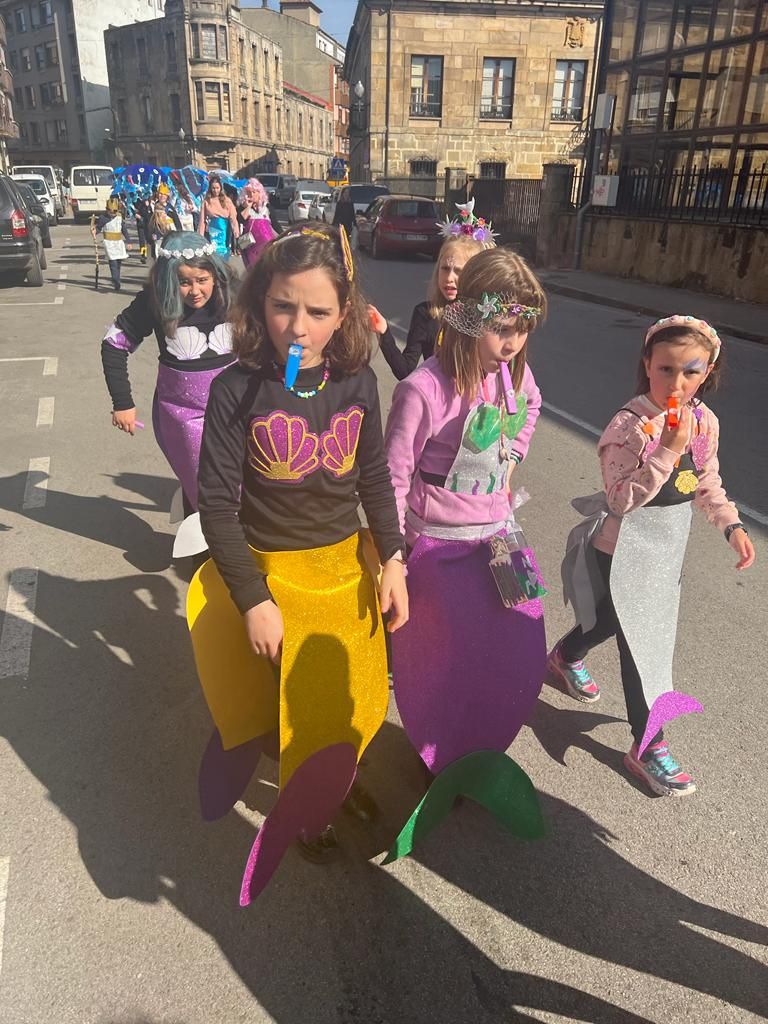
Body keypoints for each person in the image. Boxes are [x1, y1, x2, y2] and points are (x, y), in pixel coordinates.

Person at [189, 224, 408, 901]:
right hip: (276, 576)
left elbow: (373, 477)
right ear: (259, 304)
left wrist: (393, 557)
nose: (298, 326)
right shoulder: (236, 390)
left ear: (342, 314)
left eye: (317, 311)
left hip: (345, 571)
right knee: (295, 708)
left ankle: (340, 785)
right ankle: (304, 808)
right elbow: (217, 507)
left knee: (352, 698)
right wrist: (254, 597)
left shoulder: (358, 383)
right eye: (284, 306)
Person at [384, 247, 547, 845]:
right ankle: (442, 760)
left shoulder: (514, 375)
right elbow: (391, 476)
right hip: (440, 545)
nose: (514, 341)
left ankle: (483, 748)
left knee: (522, 650)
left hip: (502, 539)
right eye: (503, 328)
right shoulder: (423, 389)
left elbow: (531, 407)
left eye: (523, 328)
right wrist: (395, 557)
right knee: (442, 665)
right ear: (471, 317)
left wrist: (513, 458)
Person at [554, 315, 756, 797]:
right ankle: (648, 746)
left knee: (605, 622)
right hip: (621, 553)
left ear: (708, 372)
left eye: (691, 371)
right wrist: (666, 449)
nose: (677, 382)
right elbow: (621, 499)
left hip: (665, 555)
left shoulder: (704, 421)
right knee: (641, 651)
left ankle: (565, 654)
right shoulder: (630, 426)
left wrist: (731, 525)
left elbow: (705, 481)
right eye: (665, 369)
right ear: (647, 365)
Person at [100, 231, 237, 524]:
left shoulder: (237, 294)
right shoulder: (154, 300)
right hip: (183, 415)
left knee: (245, 482)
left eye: (202, 280)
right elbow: (114, 343)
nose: (195, 290)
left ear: (215, 274)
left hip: (237, 411)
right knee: (202, 487)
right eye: (184, 282)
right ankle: (206, 555)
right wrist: (122, 402)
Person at [371, 215, 496, 380]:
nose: (449, 277)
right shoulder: (426, 313)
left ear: (475, 275)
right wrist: (384, 332)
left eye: (458, 271)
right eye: (445, 268)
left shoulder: (485, 315)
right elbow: (405, 371)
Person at [236, 177, 278, 270]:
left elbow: (275, 225)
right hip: (251, 246)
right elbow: (241, 220)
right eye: (249, 192)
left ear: (260, 193)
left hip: (267, 245)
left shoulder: (267, 207)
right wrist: (248, 206)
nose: (252, 195)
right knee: (254, 270)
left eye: (254, 192)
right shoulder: (243, 208)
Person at [91, 197, 131, 292]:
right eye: (110, 212)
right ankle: (116, 280)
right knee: (112, 263)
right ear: (107, 210)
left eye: (114, 212)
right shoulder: (103, 218)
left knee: (118, 263)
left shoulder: (120, 217)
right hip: (109, 243)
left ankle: (117, 278)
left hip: (119, 243)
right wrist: (94, 231)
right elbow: (99, 228)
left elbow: (124, 230)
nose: (112, 214)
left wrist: (128, 241)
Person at [200, 174, 239, 260]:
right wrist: (200, 235)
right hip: (212, 231)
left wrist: (236, 230)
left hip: (225, 229)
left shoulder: (227, 200)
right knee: (213, 253)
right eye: (213, 188)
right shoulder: (206, 201)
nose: (215, 190)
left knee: (224, 252)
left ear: (221, 188)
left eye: (217, 188)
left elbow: (233, 217)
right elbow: (202, 220)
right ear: (210, 188)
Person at [148, 183, 182, 259]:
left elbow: (177, 222)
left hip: (169, 237)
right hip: (157, 238)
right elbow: (149, 223)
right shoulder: (153, 207)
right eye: (160, 194)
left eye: (164, 194)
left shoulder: (170, 208)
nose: (162, 196)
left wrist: (179, 233)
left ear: (167, 196)